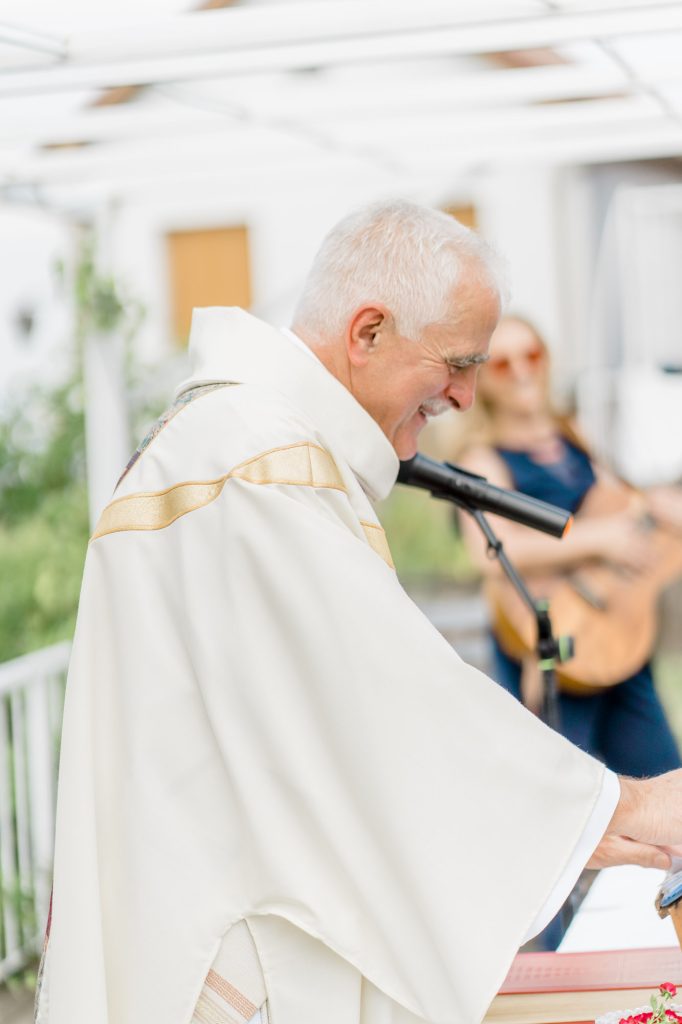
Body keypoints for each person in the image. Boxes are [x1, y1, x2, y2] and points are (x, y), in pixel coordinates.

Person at [37, 202, 682, 1024]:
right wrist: (625, 807)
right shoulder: (258, 462)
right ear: (368, 331)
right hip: (236, 957)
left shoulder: (233, 441)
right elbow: (385, 705)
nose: (466, 394)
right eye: (458, 362)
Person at [457, 314, 682, 947]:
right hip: (554, 648)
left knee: (667, 787)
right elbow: (489, 550)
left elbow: (625, 505)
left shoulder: (573, 436)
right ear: (482, 378)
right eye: (502, 362)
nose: (521, 371)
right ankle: (552, 968)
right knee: (560, 819)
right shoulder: (481, 458)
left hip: (619, 641)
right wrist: (599, 540)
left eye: (531, 355)